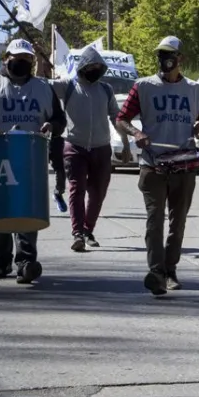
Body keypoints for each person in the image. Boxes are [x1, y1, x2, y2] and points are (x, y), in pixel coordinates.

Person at [115, 36, 199, 296]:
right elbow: (122, 118)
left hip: (184, 164)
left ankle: (170, 268)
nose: (165, 60)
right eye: (161, 54)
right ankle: (156, 272)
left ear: (181, 59)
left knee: (178, 221)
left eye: (170, 54)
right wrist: (136, 134)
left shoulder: (194, 89)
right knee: (154, 221)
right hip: (153, 164)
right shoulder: (143, 86)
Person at [0, 39, 66, 283]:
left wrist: (53, 126)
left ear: (32, 61)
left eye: (27, 59)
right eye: (18, 58)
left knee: (28, 207)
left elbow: (60, 119)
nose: (22, 62)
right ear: (6, 58)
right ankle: (1, 260)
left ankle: (26, 262)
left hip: (30, 156)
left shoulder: (43, 87)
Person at [50, 46, 121, 252]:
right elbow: (43, 86)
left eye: (99, 67)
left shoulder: (106, 89)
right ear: (83, 67)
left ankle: (88, 229)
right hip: (75, 147)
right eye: (92, 66)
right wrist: (42, 66)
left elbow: (115, 115)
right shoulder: (68, 86)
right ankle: (77, 233)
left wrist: (125, 140)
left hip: (101, 148)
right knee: (76, 189)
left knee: (98, 192)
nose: (96, 70)